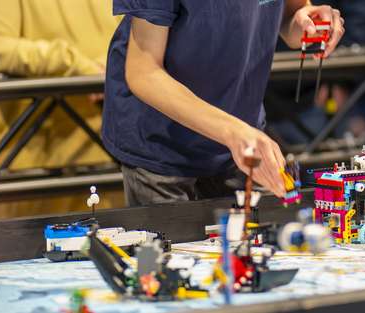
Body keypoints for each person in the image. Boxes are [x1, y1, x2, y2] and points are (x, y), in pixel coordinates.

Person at [105, 0, 344, 206]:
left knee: (259, 250)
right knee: (170, 256)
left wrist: (305, 21)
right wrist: (233, 132)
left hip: (240, 136)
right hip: (162, 146)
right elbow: (144, 73)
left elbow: (291, 12)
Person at [0, 0, 122, 218]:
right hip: (28, 176)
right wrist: (72, 65)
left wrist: (113, 65)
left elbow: (142, 40)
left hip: (113, 164)